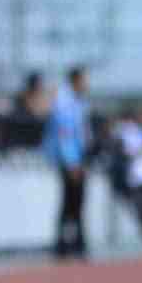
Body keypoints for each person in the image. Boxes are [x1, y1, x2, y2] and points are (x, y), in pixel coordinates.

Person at [50, 65, 91, 259]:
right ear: (75, 80)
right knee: (70, 200)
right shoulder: (64, 102)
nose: (87, 84)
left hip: (78, 158)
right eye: (84, 80)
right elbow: (65, 134)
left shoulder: (78, 101)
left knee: (77, 201)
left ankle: (74, 242)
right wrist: (72, 162)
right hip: (69, 160)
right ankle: (65, 243)